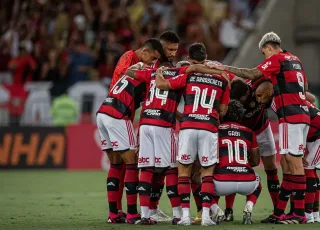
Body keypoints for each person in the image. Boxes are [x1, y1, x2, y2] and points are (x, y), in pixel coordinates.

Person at [209, 31, 310, 224]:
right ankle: (284, 212)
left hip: (290, 116)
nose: (265, 59)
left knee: (292, 161)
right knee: (289, 163)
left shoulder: (277, 59)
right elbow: (303, 86)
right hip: (301, 113)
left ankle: (298, 212)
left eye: (264, 53)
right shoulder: (295, 59)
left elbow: (252, 73)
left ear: (268, 47)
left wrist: (223, 66)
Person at [155, 42, 230, 226]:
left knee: (184, 171)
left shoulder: (187, 75)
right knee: (206, 172)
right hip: (209, 127)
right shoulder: (222, 79)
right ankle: (205, 216)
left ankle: (186, 216)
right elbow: (223, 109)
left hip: (188, 126)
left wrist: (158, 73)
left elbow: (162, 85)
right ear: (206, 58)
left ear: (189, 59)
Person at [105, 38, 163, 219]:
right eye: (151, 58)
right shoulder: (129, 57)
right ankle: (132, 214)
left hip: (108, 111)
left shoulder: (141, 67)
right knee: (131, 163)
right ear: (144, 51)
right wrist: (149, 70)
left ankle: (114, 213)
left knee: (117, 164)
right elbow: (123, 73)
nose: (152, 63)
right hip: (120, 113)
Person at [255, 81, 320, 224]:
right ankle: (308, 213)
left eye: (260, 95)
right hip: (310, 131)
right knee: (301, 170)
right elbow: (312, 99)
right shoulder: (287, 93)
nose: (258, 100)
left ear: (270, 92)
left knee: (299, 169)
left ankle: (305, 214)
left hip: (314, 133)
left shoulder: (278, 100)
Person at [222, 78, 279, 222]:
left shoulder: (258, 88)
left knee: (271, 167)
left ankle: (278, 211)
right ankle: (229, 210)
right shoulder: (230, 94)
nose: (238, 105)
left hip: (261, 128)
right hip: (240, 130)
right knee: (233, 165)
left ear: (248, 92)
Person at [211, 100, 262, 225]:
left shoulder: (215, 130)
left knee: (203, 180)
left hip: (221, 183)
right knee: (258, 182)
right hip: (247, 183)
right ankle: (248, 207)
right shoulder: (249, 132)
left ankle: (216, 210)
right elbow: (255, 161)